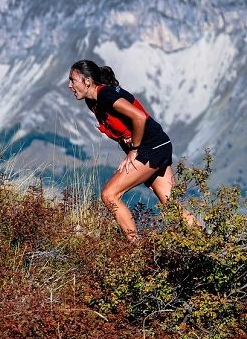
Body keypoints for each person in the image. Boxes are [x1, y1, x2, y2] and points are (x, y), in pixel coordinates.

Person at [67, 59, 191, 242]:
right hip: (160, 145)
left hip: (151, 148)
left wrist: (134, 150)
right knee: (172, 206)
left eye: (72, 80)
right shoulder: (93, 101)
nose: (69, 85)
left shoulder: (106, 96)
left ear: (87, 81)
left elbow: (139, 117)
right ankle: (208, 249)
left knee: (109, 195)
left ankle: (137, 250)